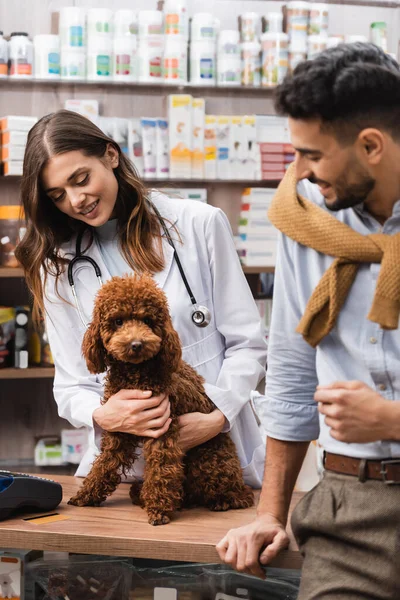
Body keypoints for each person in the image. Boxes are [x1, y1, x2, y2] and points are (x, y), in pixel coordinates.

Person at [217, 43, 400, 599]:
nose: (299, 172)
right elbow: (295, 371)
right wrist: (269, 514)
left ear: (370, 145)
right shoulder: (308, 218)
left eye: (312, 154)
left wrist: (391, 420)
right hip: (350, 513)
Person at [16, 109, 267, 488]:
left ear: (111, 156)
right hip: (127, 471)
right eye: (58, 195)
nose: (76, 200)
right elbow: (70, 386)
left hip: (213, 453)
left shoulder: (199, 224)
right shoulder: (59, 265)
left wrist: (216, 416)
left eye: (81, 179)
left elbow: (248, 344)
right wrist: (105, 415)